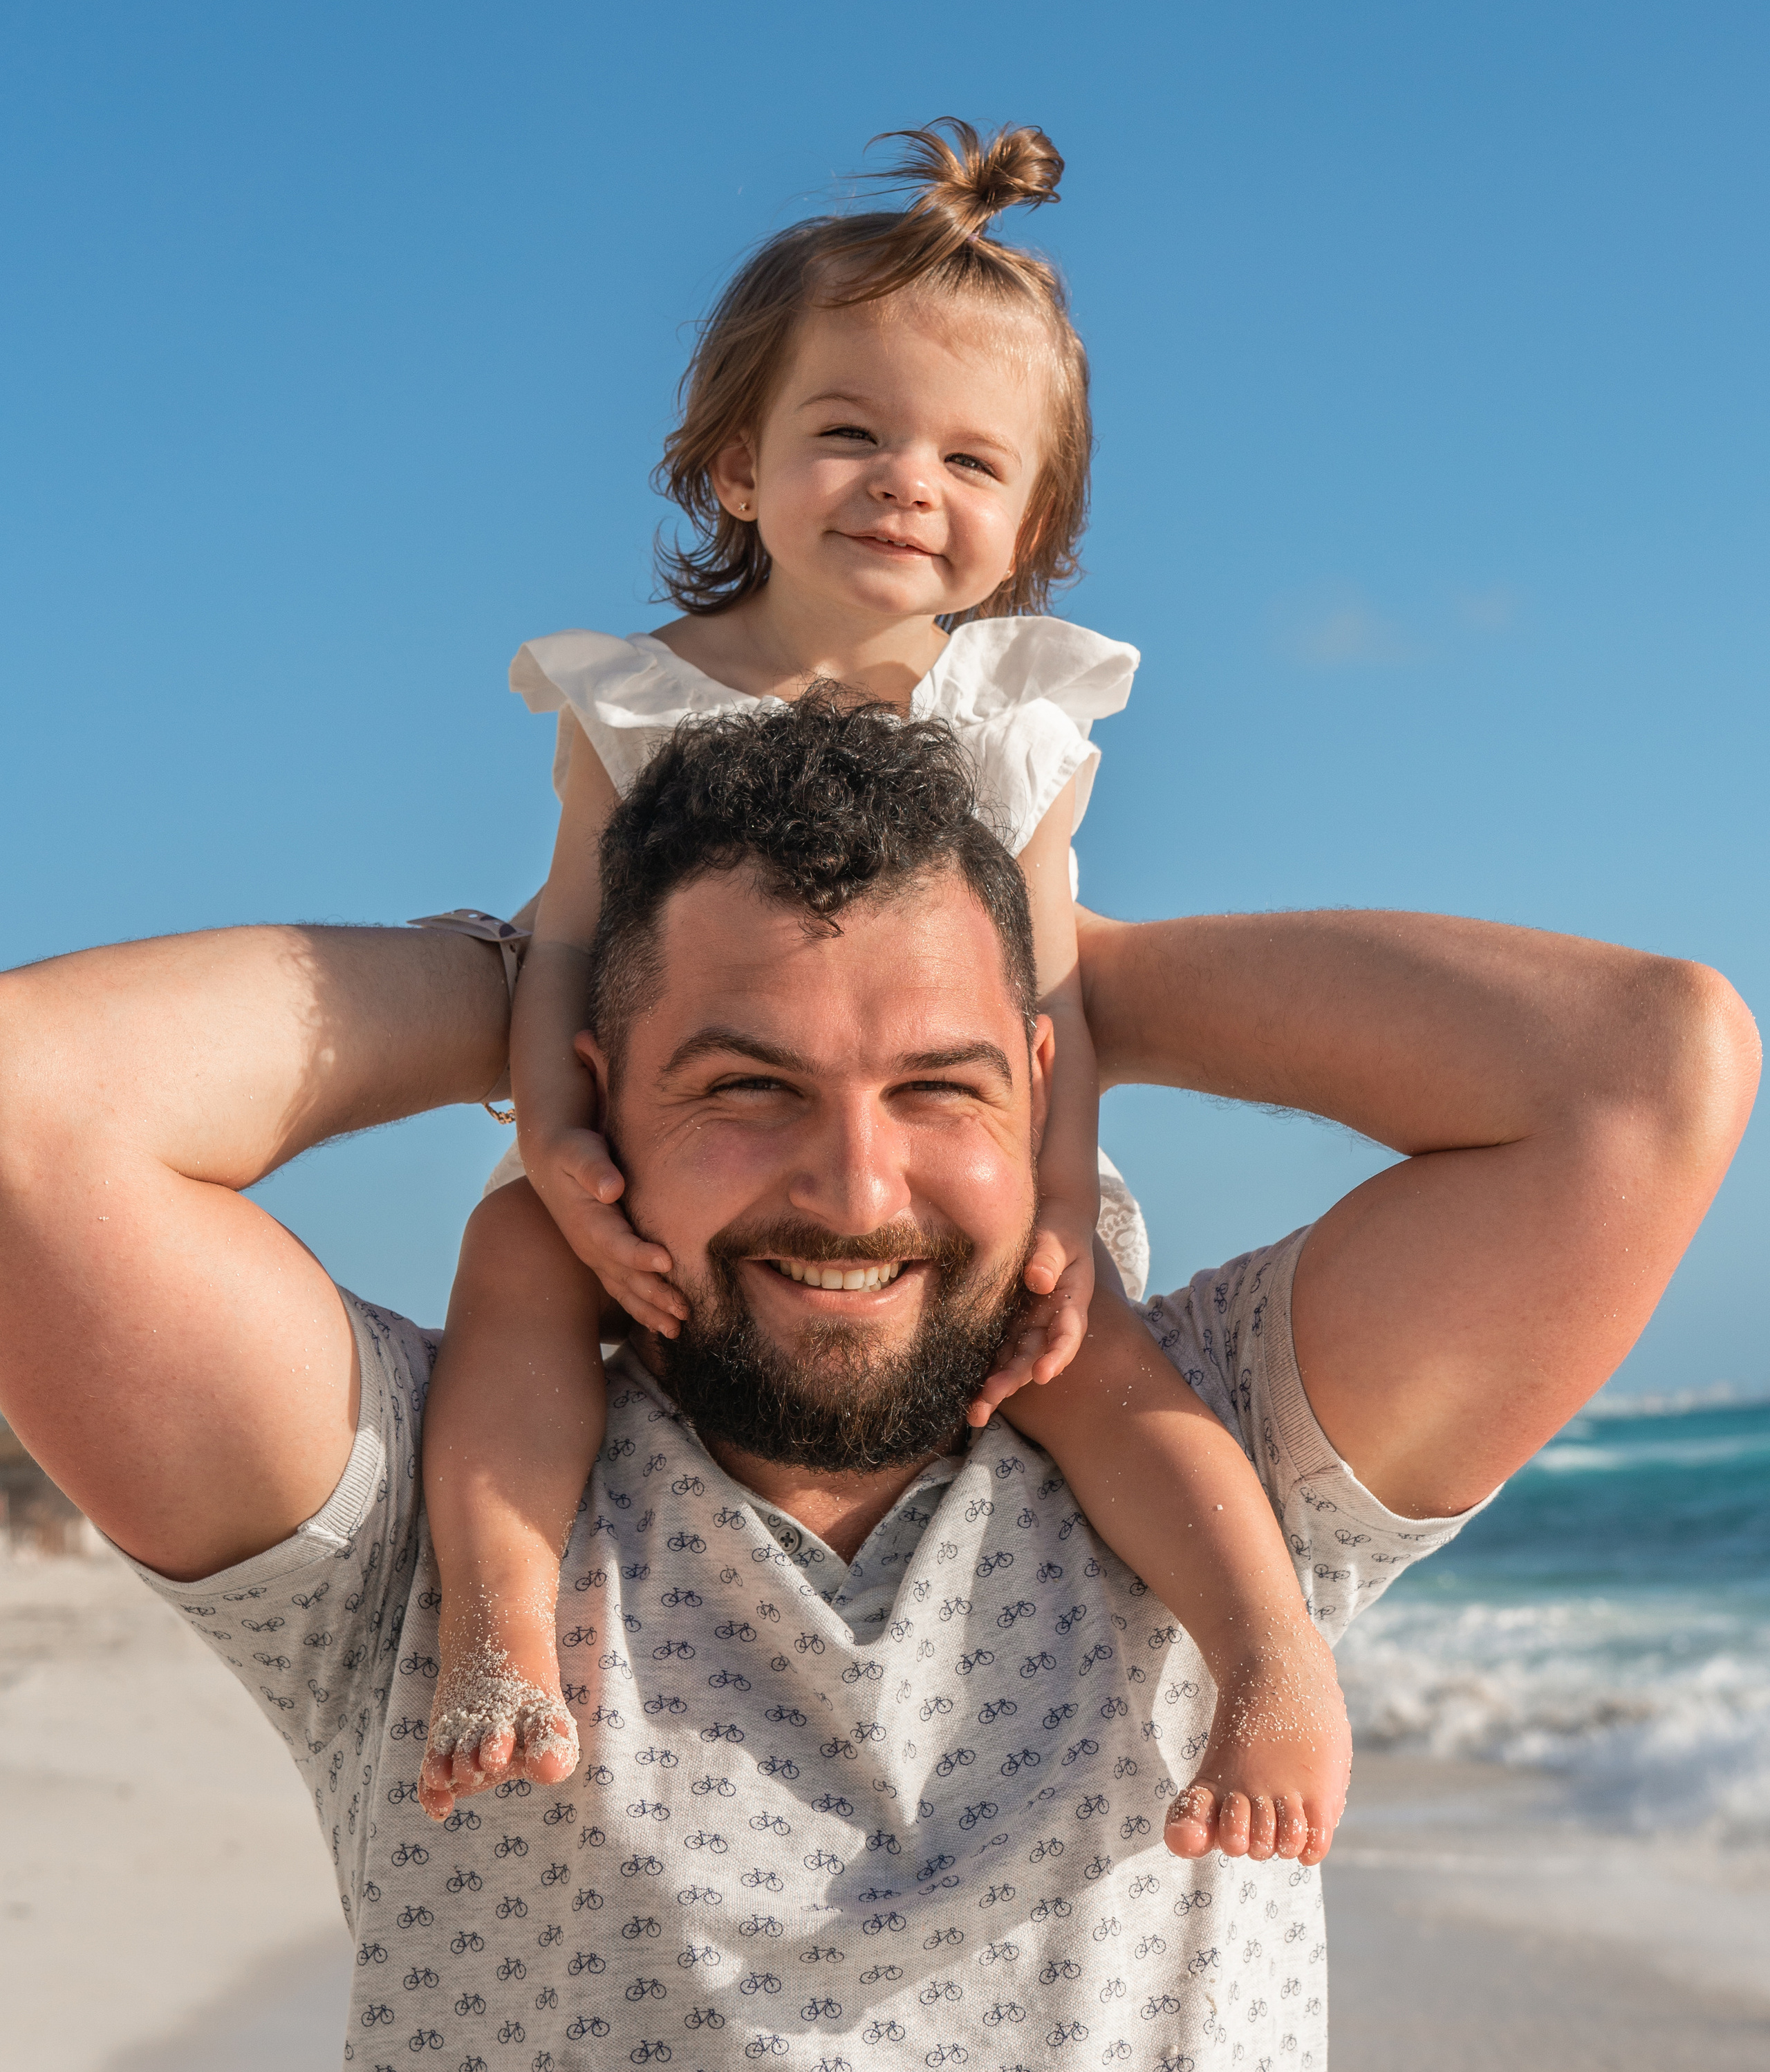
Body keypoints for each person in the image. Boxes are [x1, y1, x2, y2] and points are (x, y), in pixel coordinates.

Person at [0, 695, 1754, 2069]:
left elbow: (1643, 1072)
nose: (855, 1190)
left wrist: (1074, 970)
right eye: (742, 1087)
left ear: (1044, 1091)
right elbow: (28, 1110)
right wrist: (527, 993)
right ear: (603, 1106)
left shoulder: (1210, 1437)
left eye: (942, 1087)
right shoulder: (433, 1522)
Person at [419, 118, 1352, 1865]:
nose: (905, 481)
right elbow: (558, 943)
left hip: (954, 1176)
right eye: (847, 432)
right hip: (656, 1155)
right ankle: (496, 1620)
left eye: (970, 461)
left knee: (1093, 1362)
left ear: (1030, 525)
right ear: (732, 470)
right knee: (506, 1279)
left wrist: (1057, 1206)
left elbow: (1053, 1002)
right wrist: (552, 1140)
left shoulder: (1018, 719)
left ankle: (1264, 1649)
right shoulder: (635, 699)